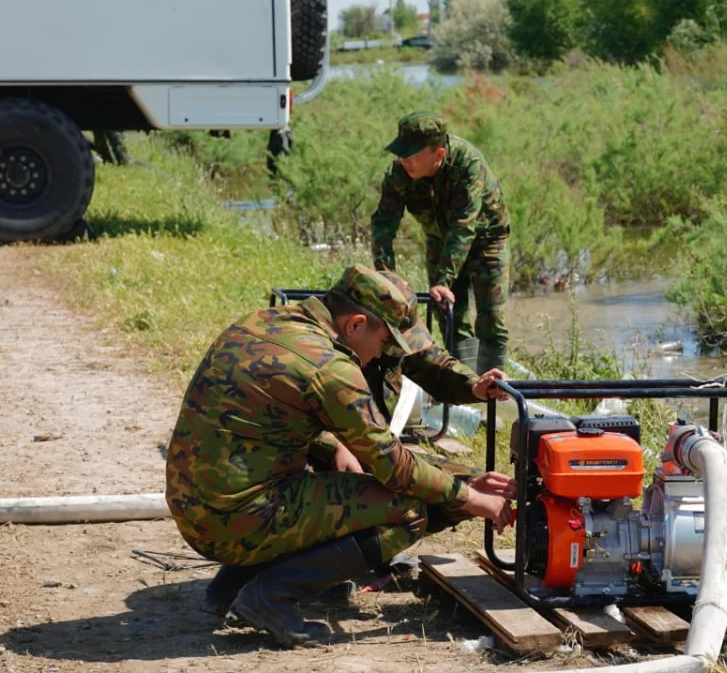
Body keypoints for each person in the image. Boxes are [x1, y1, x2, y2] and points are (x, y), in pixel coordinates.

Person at [165, 265, 515, 648]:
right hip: (235, 520)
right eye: (383, 342)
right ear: (355, 325)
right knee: (407, 511)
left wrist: (334, 448)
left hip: (198, 507)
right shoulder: (331, 367)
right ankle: (270, 598)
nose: (382, 353)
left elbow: (262, 428)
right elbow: (395, 468)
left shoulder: (264, 321)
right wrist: (472, 496)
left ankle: (231, 585)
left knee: (348, 477)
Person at [370, 110, 511, 375]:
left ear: (439, 154)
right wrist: (385, 274)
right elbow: (384, 221)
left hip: (487, 240)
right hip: (440, 239)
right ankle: (467, 390)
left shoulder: (468, 164)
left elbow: (464, 225)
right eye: (401, 153)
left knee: (491, 318)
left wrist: (443, 280)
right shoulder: (399, 173)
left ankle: (494, 397)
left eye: (411, 155)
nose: (404, 161)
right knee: (448, 314)